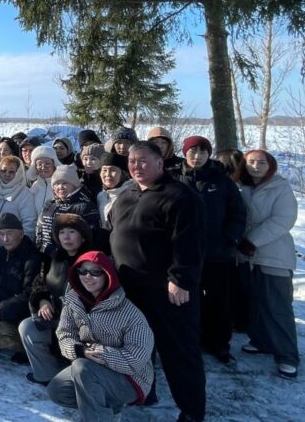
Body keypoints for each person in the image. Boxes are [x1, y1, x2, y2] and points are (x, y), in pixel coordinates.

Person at [109, 141, 205, 422]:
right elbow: (113, 231)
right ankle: (144, 391)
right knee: (139, 346)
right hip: (131, 288)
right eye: (132, 161)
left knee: (178, 352)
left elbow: (190, 243)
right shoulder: (127, 193)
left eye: (143, 161)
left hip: (167, 291)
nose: (136, 166)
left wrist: (181, 280)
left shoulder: (179, 197)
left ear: (160, 162)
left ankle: (191, 410)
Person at [47, 252, 155, 421]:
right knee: (57, 389)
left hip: (131, 379)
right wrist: (79, 350)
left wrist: (99, 353)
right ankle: (109, 409)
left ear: (108, 275)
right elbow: (64, 333)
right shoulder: (73, 301)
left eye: (95, 272)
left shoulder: (129, 313)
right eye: (83, 271)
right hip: (92, 370)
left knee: (83, 368)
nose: (87, 276)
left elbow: (136, 359)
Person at [177, 135, 246, 364]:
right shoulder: (175, 178)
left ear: (209, 154)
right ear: (185, 153)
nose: (197, 157)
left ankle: (219, 344)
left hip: (218, 254)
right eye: (192, 152)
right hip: (184, 255)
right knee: (187, 301)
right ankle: (190, 342)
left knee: (219, 302)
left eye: (203, 152)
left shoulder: (222, 180)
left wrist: (230, 237)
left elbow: (237, 212)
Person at [238, 149, 299, 380]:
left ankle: (287, 356)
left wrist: (251, 240)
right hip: (246, 256)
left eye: (261, 162)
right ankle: (261, 340)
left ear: (270, 165)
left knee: (278, 306)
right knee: (256, 303)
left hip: (274, 255)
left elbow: (284, 220)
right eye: (251, 162)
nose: (256, 166)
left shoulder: (280, 187)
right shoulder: (242, 187)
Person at [19, 214, 94, 384]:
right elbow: (39, 283)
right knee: (28, 327)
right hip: (54, 318)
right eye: (61, 233)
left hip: (82, 324)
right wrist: (43, 301)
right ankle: (47, 374)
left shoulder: (92, 261)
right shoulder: (53, 258)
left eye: (72, 231)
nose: (66, 237)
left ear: (82, 236)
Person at [0, 212, 42, 355]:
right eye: (1, 234)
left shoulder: (32, 257)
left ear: (21, 233)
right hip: (2, 311)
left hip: (20, 315)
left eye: (10, 233)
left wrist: (1, 310)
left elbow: (29, 294)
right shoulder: (1, 253)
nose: (5, 239)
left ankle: (24, 347)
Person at [35, 165, 100, 257]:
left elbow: (91, 236)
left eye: (65, 183)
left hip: (72, 258)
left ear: (74, 185)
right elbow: (39, 229)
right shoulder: (49, 204)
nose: (60, 187)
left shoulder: (86, 206)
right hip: (45, 257)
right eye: (57, 184)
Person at [0, 155, 37, 251]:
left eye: (12, 172)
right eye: (3, 170)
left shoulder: (25, 193)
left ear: (18, 173)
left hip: (14, 248)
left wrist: (22, 245)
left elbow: (29, 222)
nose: (7, 174)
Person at [96, 150, 134, 228]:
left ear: (123, 174)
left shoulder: (132, 193)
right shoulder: (101, 196)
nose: (107, 174)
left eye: (113, 170)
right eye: (104, 170)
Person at [27, 145, 58, 215]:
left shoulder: (60, 185)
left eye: (47, 163)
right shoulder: (34, 187)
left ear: (54, 165)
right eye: (39, 164)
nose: (43, 167)